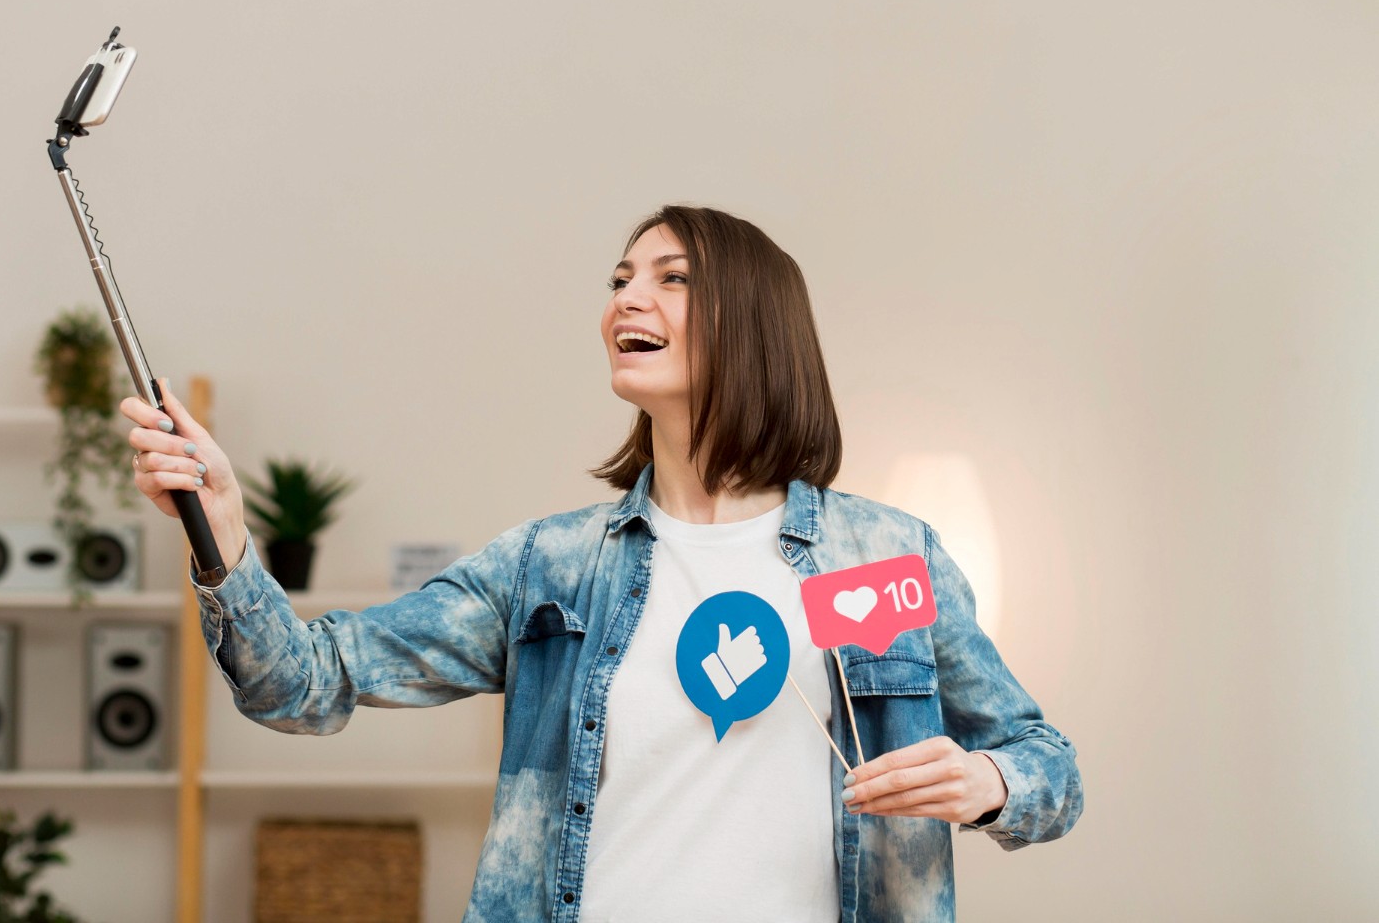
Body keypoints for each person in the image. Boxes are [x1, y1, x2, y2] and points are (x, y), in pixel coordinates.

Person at [121, 205, 1082, 922]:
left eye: (670, 278)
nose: (626, 296)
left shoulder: (879, 557)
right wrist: (226, 530)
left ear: (752, 321)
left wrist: (988, 784)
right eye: (620, 278)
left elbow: (1050, 768)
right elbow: (300, 683)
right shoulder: (553, 567)